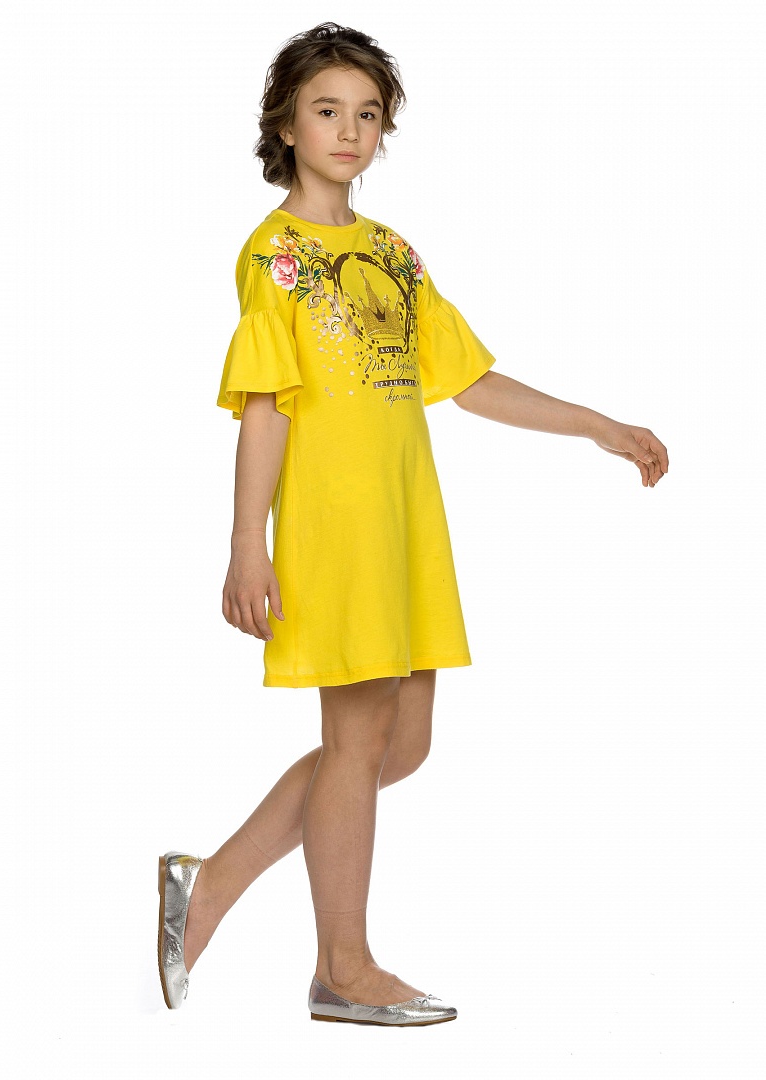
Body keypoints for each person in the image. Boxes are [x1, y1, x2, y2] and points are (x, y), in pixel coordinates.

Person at [157, 22, 669, 1027]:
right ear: (287, 125)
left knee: (399, 748)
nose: (349, 130)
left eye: (367, 113)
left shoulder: (392, 254)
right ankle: (342, 970)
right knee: (354, 745)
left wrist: (599, 427)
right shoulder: (275, 256)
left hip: (405, 524)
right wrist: (247, 542)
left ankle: (205, 884)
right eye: (326, 110)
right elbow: (264, 406)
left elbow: (467, 380)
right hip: (334, 526)